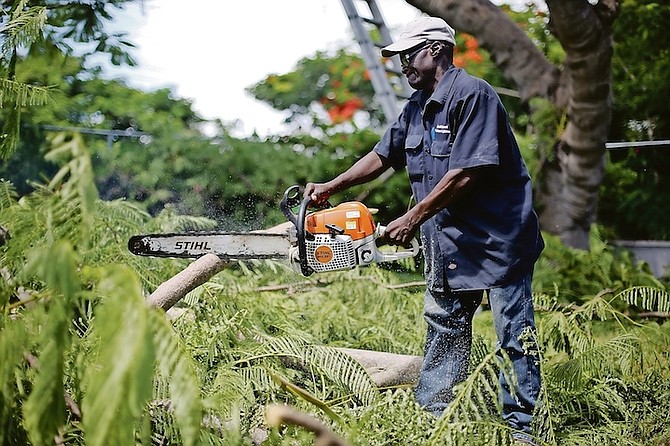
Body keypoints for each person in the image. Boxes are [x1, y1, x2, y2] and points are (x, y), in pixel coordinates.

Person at [304, 16, 544, 445]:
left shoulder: (473, 95)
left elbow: (467, 172)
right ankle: (433, 421)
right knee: (444, 325)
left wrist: (412, 218)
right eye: (399, 59)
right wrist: (331, 188)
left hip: (498, 241)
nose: (403, 66)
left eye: (408, 56)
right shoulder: (416, 106)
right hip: (448, 241)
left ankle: (520, 430)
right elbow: (382, 155)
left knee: (513, 333)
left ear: (435, 49)